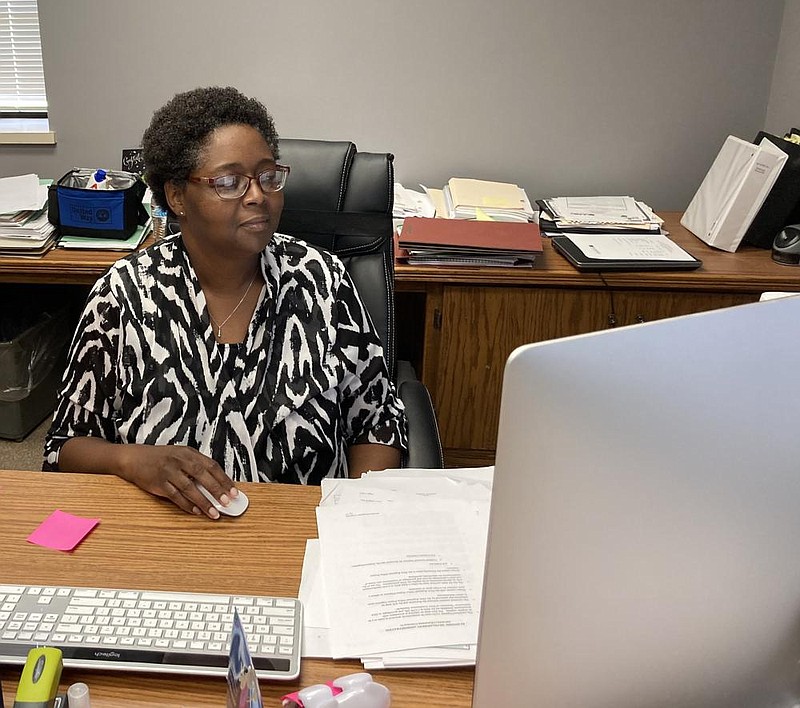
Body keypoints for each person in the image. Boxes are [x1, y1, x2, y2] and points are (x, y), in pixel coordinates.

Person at [43, 86, 407, 519]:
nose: (259, 196)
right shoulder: (123, 296)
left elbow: (376, 423)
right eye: (230, 182)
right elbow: (66, 446)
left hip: (302, 536)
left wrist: (356, 520)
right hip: (161, 538)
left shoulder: (321, 280)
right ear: (177, 197)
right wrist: (132, 460)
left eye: (269, 176)